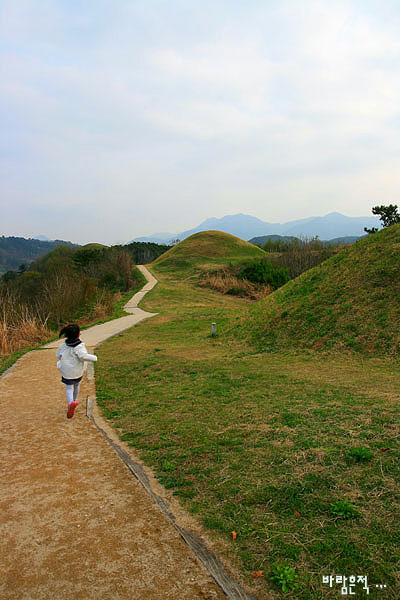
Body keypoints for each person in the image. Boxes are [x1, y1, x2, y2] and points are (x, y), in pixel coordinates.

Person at [56, 323, 97, 419]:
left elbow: (58, 355)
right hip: (77, 371)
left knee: (69, 387)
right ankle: (75, 400)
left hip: (66, 371)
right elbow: (83, 356)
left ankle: (71, 402)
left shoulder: (63, 346)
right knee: (77, 385)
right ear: (78, 334)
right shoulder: (79, 346)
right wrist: (94, 358)